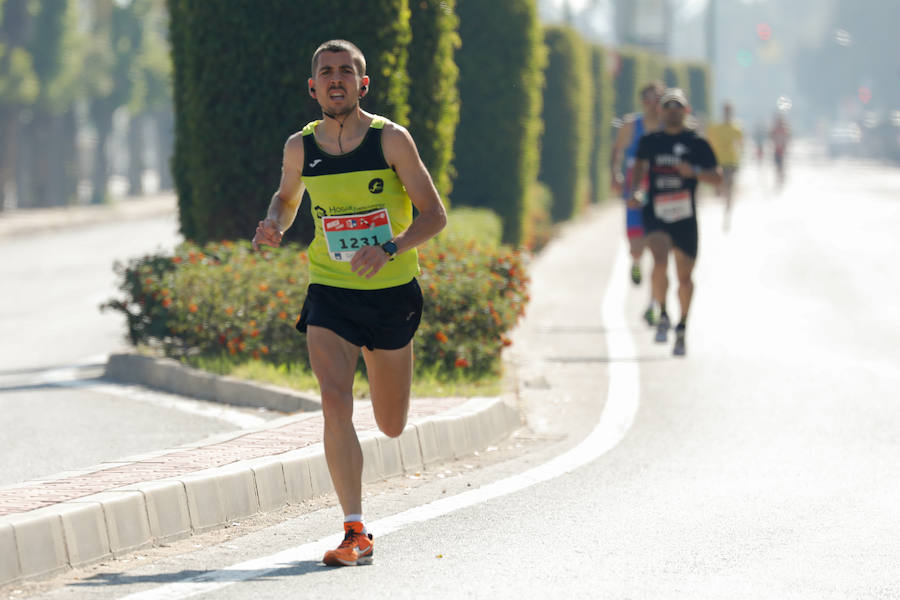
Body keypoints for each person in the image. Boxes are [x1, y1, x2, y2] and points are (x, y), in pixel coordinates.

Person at [252, 39, 447, 566]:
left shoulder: (392, 141)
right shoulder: (300, 147)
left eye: (346, 71)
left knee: (390, 423)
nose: (335, 79)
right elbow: (287, 199)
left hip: (391, 296)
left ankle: (390, 393)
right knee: (334, 399)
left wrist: (388, 248)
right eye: (325, 72)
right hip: (330, 292)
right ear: (312, 86)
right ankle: (354, 529)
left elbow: (434, 216)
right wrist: (274, 224)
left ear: (363, 84)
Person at [628, 88, 722, 356]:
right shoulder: (650, 141)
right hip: (656, 213)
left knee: (684, 277)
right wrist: (636, 190)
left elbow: (716, 177)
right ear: (661, 111)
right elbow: (639, 170)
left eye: (677, 106)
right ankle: (664, 313)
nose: (671, 111)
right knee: (658, 261)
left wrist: (693, 171)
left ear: (685, 111)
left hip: (685, 217)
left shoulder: (696, 143)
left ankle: (682, 326)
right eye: (667, 106)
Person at [611, 81, 663, 325]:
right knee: (636, 246)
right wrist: (615, 174)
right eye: (648, 100)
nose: (652, 105)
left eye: (657, 100)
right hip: (635, 186)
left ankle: (652, 304)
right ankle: (635, 263)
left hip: (661, 189)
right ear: (643, 101)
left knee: (660, 252)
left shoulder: (668, 126)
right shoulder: (632, 125)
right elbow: (617, 150)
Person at [707, 101, 744, 230]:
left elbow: (741, 145)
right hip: (719, 162)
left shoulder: (736, 128)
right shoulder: (716, 128)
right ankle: (724, 204)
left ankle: (727, 213)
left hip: (731, 163)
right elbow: (709, 144)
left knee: (729, 189)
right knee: (720, 189)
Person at [771, 113, 790, 189]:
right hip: (776, 150)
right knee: (778, 165)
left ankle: (781, 177)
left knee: (780, 165)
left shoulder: (784, 130)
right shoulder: (776, 129)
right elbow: (771, 136)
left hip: (781, 151)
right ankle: (779, 176)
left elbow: (787, 138)